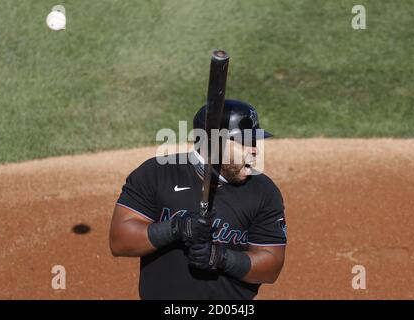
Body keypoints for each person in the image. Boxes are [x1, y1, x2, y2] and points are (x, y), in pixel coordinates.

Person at [109, 99, 287, 300]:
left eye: (254, 142)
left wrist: (221, 258)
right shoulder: (157, 174)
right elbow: (119, 241)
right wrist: (176, 228)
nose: (255, 150)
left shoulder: (263, 191)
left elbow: (271, 267)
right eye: (245, 142)